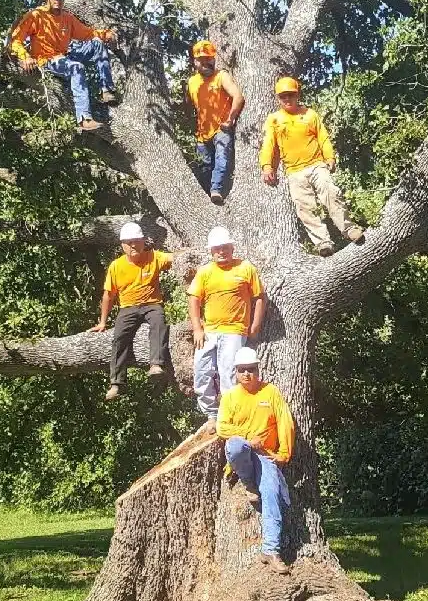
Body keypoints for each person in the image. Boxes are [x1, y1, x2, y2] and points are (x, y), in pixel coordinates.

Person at [259, 76, 365, 256]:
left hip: (317, 165)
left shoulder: (310, 114)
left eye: (290, 95)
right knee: (304, 207)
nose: (287, 99)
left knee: (331, 191)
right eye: (283, 96)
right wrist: (267, 166)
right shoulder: (274, 119)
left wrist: (330, 157)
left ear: (297, 94)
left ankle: (349, 230)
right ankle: (323, 243)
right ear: (278, 98)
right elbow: (269, 144)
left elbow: (323, 137)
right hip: (294, 171)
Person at [217, 347, 295, 575]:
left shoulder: (270, 392)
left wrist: (284, 453)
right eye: (242, 370)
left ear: (257, 370)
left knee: (271, 494)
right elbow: (222, 427)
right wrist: (249, 439)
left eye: (251, 370)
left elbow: (285, 422)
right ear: (236, 372)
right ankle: (247, 482)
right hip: (242, 455)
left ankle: (271, 550)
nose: (247, 375)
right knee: (235, 445)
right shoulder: (231, 396)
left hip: (266, 457)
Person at [9, 0, 118, 131]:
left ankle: (106, 90)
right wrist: (25, 57)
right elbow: (16, 39)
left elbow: (87, 33)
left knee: (97, 43)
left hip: (65, 55)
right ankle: (84, 118)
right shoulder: (36, 16)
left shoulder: (67, 18)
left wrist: (106, 35)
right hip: (47, 60)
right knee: (76, 68)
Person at [187, 227, 265, 432]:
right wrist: (197, 327)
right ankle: (211, 415)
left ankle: (229, 417)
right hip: (209, 331)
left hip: (234, 330)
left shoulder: (245, 268)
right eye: (217, 248)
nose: (221, 251)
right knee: (201, 372)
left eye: (225, 248)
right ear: (211, 251)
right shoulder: (205, 271)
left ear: (232, 248)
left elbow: (259, 298)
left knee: (229, 375)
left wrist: (256, 323)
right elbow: (194, 299)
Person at [88, 222, 173, 401]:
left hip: (152, 304)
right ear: (123, 245)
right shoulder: (116, 266)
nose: (133, 245)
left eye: (136, 241)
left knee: (159, 323)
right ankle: (117, 383)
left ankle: (156, 365)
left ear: (143, 242)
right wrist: (103, 322)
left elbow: (176, 259)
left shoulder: (154, 257)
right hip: (128, 307)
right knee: (119, 338)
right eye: (128, 242)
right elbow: (108, 295)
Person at [186, 40, 245, 204]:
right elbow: (191, 106)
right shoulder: (192, 82)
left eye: (209, 59)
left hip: (221, 128)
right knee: (205, 166)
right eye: (202, 60)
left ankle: (216, 190)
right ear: (195, 61)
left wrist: (230, 119)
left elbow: (238, 97)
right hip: (202, 133)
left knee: (221, 159)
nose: (206, 62)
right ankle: (207, 194)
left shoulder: (221, 76)